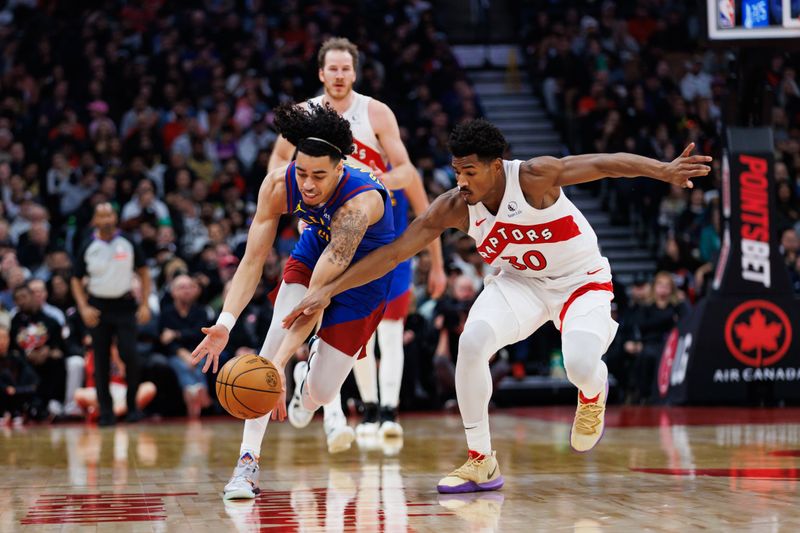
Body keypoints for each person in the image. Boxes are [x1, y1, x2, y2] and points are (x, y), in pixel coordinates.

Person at [283, 118, 712, 493]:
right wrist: (330, 288)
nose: (462, 181)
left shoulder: (534, 177)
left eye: (470, 171)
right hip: (520, 285)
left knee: (580, 362)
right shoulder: (455, 206)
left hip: (579, 283)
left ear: (495, 165)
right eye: (456, 171)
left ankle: (593, 391)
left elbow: (604, 164)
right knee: (471, 344)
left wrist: (664, 170)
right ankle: (480, 460)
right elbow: (394, 254)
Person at [190, 103, 396, 500]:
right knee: (265, 357)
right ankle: (246, 464)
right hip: (315, 250)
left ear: (341, 167)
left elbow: (317, 298)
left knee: (319, 392)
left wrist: (283, 368)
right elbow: (252, 260)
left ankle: (305, 379)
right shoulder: (277, 184)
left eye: (319, 175)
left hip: (362, 278)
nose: (308, 184)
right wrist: (226, 323)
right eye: (302, 172)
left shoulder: (359, 204)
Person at [269, 36, 447, 443]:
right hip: (322, 225)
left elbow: (407, 173)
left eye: (345, 68)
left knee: (377, 325)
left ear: (355, 72)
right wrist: (300, 191)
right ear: (320, 73)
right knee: (320, 308)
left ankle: (381, 409)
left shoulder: (376, 112)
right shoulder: (305, 114)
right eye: (332, 68)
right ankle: (347, 411)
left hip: (376, 228)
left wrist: (374, 182)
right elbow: (277, 164)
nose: (339, 75)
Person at [71, 203, 152, 426]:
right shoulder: (88, 244)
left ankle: (132, 406)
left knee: (130, 355)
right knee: (100, 360)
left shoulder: (127, 241)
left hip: (125, 305)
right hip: (98, 307)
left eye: (110, 215)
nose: (106, 219)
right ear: (95, 220)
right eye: (101, 216)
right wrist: (84, 308)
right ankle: (106, 412)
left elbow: (144, 272)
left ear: (115, 218)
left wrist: (144, 304)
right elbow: (76, 279)